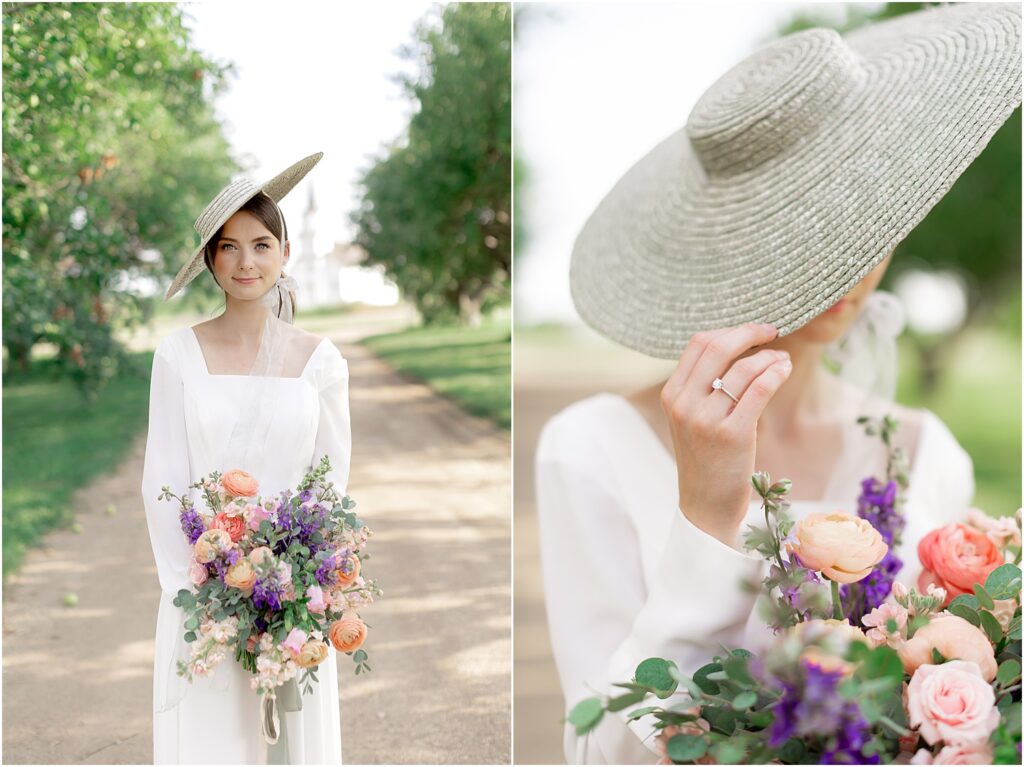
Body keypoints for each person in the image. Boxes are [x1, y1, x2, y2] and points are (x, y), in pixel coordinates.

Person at [535, 4, 1021, 764]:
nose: (851, 268)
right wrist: (705, 515)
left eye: (863, 212)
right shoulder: (589, 448)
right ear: (722, 237)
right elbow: (599, 748)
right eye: (800, 221)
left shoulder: (932, 455)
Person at [140, 152, 351, 764]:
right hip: (207, 592)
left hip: (294, 592)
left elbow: (331, 482)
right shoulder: (177, 355)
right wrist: (199, 587)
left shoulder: (320, 360)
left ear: (284, 252)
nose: (246, 262)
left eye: (260, 244)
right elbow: (164, 481)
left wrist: (300, 581)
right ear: (210, 261)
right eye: (228, 248)